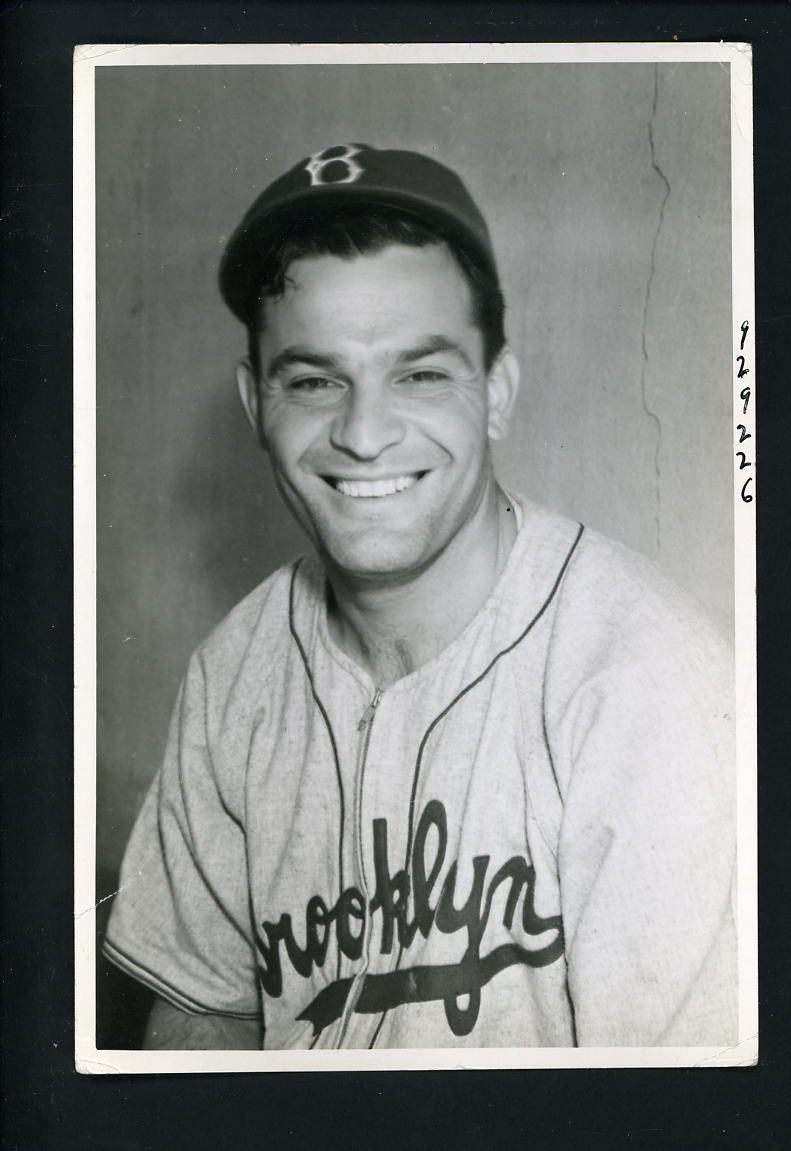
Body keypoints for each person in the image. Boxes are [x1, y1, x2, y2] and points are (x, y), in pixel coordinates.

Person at [103, 143, 736, 1051]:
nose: (363, 434)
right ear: (255, 406)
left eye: (421, 374)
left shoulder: (648, 688)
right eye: (315, 380)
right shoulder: (234, 669)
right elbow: (201, 1009)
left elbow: (680, 1113)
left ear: (496, 394)